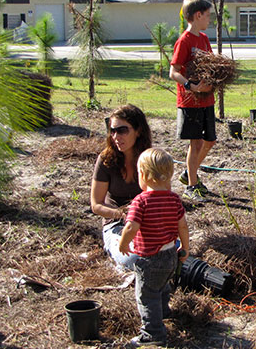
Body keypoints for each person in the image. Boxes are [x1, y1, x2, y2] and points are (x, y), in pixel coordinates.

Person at [119, 148, 190, 347]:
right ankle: (164, 312)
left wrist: (123, 242)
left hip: (149, 258)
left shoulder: (140, 201)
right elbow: (182, 225)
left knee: (147, 295)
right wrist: (185, 247)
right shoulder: (174, 199)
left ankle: (153, 334)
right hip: (170, 255)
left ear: (142, 175)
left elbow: (131, 226)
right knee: (163, 287)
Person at [90, 104, 152, 271]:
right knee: (134, 258)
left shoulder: (149, 159)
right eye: (113, 130)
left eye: (122, 130)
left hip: (146, 222)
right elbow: (96, 205)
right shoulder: (105, 159)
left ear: (138, 131)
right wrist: (121, 213)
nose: (116, 136)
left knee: (170, 249)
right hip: (116, 224)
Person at [169, 0, 215, 203]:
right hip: (190, 101)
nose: (209, 19)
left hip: (207, 100)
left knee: (210, 140)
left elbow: (212, 64)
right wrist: (191, 85)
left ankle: (190, 172)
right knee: (195, 143)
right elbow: (174, 72)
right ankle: (192, 185)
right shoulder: (184, 41)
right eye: (207, 15)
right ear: (198, 15)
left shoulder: (204, 39)